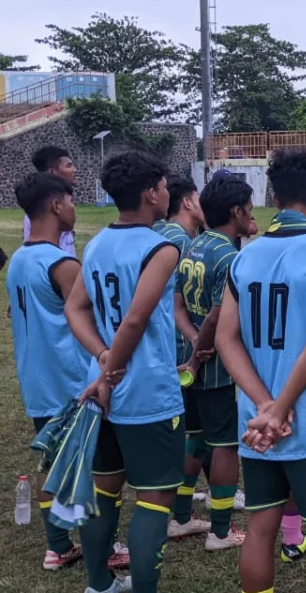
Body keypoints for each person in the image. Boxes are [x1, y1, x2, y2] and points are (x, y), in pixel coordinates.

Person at [215, 149, 306, 593]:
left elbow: (225, 338)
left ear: (273, 196)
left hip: (256, 424)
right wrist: (280, 408)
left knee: (261, 525)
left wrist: (264, 405)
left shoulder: (245, 257)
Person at [65, 151, 185, 593]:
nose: (169, 192)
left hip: (102, 395)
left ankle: (99, 585)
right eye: (165, 186)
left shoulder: (97, 243)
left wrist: (100, 359)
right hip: (146, 394)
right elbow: (135, 320)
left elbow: (74, 308)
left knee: (105, 493)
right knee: (155, 500)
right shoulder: (163, 247)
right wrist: (109, 371)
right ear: (152, 192)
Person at [171, 176, 257, 551]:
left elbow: (178, 308)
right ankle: (220, 531)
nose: (252, 215)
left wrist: (191, 345)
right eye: (250, 209)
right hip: (217, 366)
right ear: (237, 211)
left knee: (196, 438)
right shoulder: (230, 257)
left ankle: (180, 516)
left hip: (190, 361)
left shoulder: (191, 247)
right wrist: (202, 348)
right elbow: (216, 317)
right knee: (225, 445)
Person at [8, 172, 88, 571]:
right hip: (69, 379)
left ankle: (57, 544)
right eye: (71, 202)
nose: (74, 210)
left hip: (36, 379)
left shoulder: (19, 260)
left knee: (51, 463)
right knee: (86, 466)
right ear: (57, 206)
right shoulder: (62, 263)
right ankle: (96, 546)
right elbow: (92, 323)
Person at [155, 175, 216, 539]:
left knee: (195, 430)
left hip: (169, 345)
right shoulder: (182, 242)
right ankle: (179, 513)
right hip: (183, 348)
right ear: (189, 203)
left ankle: (195, 496)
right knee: (196, 430)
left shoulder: (160, 233)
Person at [24, 145, 78, 254]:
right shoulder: (43, 210)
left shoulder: (59, 204)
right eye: (69, 166)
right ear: (52, 172)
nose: (74, 170)